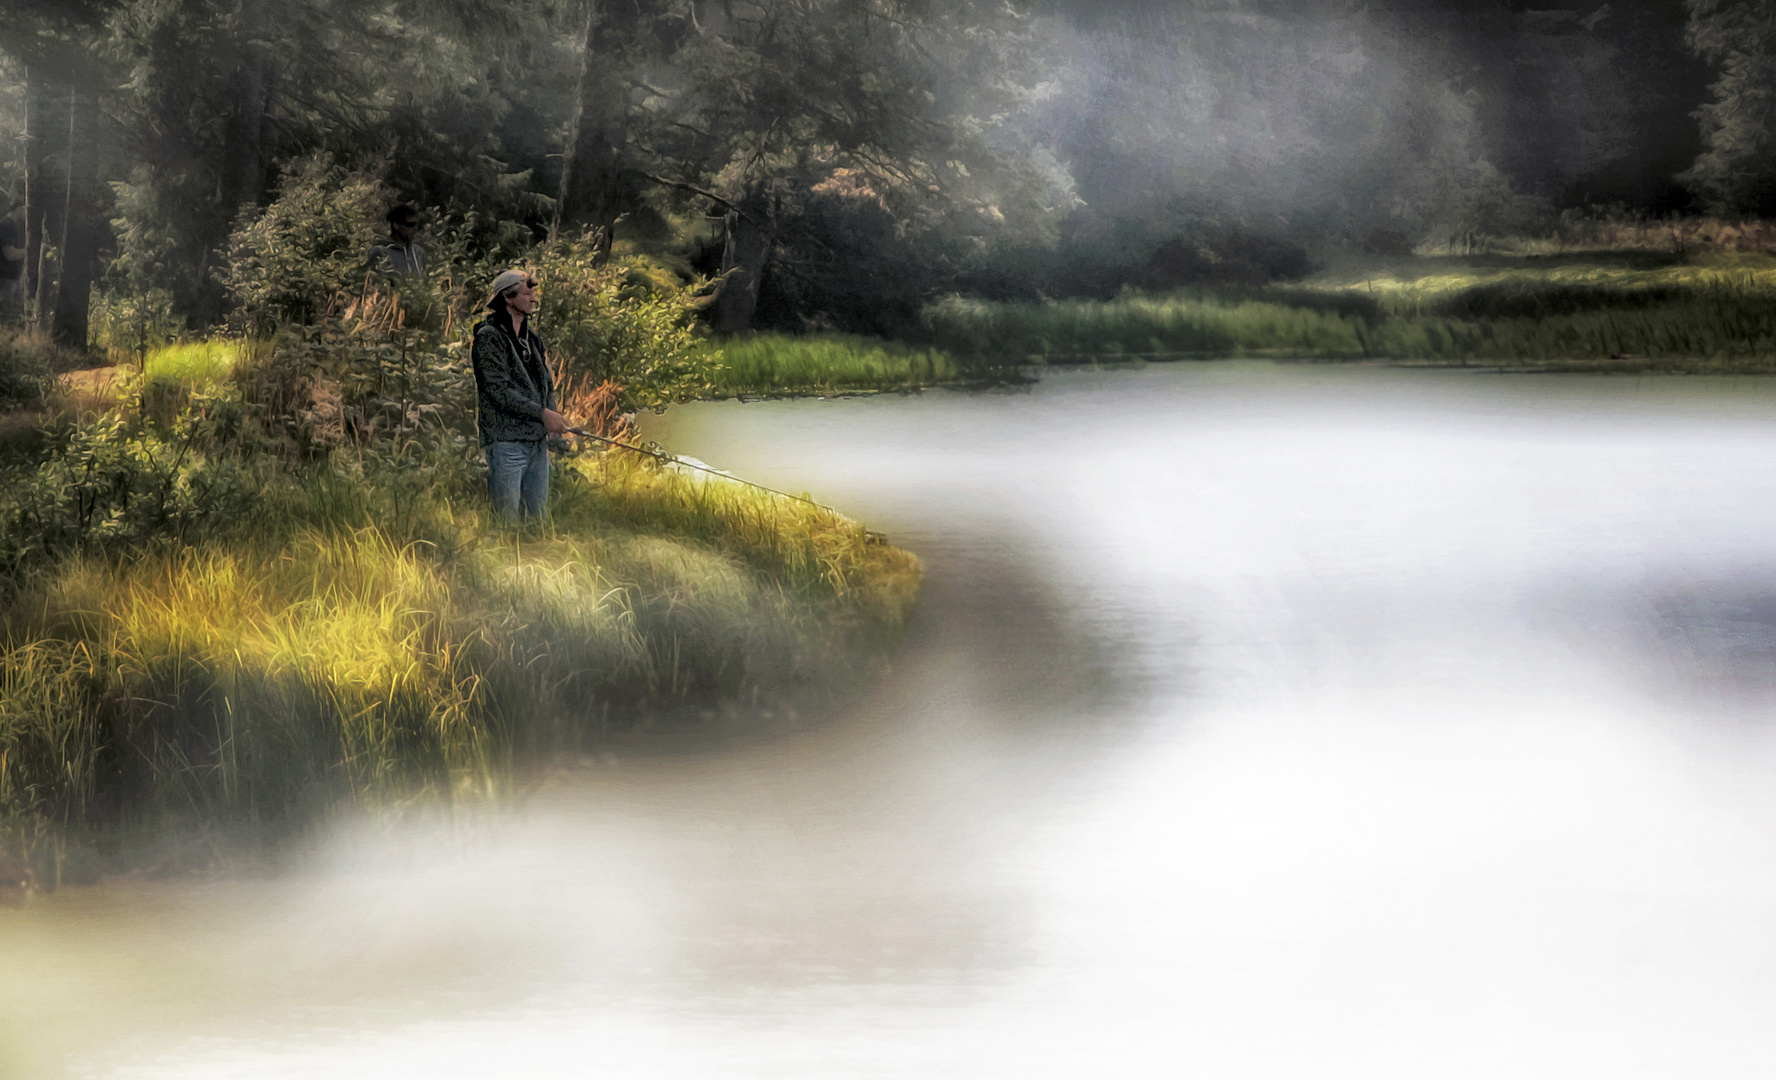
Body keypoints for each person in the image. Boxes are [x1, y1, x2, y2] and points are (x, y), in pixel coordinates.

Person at [471, 269, 569, 521]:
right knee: (507, 523)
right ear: (508, 298)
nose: (534, 299)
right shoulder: (488, 337)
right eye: (527, 293)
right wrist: (542, 413)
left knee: (538, 520)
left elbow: (545, 383)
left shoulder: (532, 338)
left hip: (535, 442)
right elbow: (497, 391)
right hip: (506, 442)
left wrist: (553, 418)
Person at [371, 204, 426, 277]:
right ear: (396, 225)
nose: (415, 228)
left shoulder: (418, 252)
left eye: (416, 225)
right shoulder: (381, 251)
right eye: (410, 224)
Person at [0, 201, 26, 323]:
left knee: (14, 316)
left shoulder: (15, 225)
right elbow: (10, 254)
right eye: (25, 208)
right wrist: (28, 251)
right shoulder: (6, 225)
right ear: (19, 208)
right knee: (7, 316)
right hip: (5, 279)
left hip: (13, 278)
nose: (27, 213)